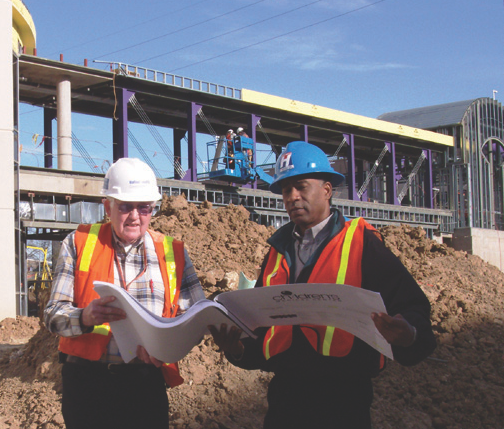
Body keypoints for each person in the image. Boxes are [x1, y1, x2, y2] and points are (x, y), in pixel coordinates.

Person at [209, 141, 436, 429]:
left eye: (301, 186)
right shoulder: (277, 252)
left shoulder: (361, 243)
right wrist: (237, 348)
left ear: (327, 190)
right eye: (285, 189)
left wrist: (408, 334)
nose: (291, 197)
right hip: (285, 403)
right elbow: (263, 333)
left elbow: (413, 307)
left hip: (343, 404)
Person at [44, 157, 205, 429]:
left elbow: (195, 319)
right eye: (126, 207)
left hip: (145, 384)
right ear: (108, 206)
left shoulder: (173, 252)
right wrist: (84, 317)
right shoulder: (79, 242)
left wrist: (167, 347)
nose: (135, 216)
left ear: (153, 209)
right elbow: (52, 316)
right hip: (87, 387)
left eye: (144, 208)